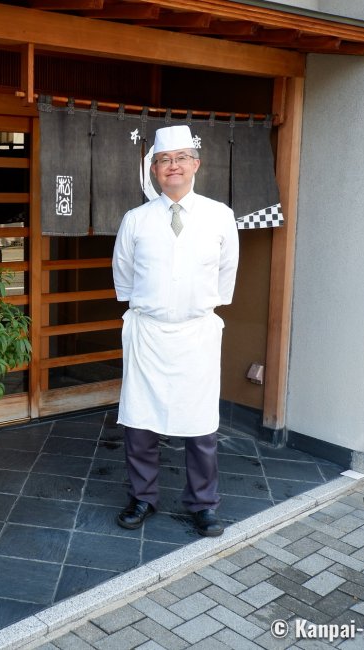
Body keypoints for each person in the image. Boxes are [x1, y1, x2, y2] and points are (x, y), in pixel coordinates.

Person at [111, 124, 239, 537]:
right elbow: (125, 276)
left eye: (181, 158)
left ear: (196, 164)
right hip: (148, 331)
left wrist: (191, 307)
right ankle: (143, 497)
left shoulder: (220, 216)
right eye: (164, 159)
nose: (173, 166)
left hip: (197, 332)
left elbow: (226, 274)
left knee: (201, 426)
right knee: (140, 423)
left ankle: (203, 504)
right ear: (153, 169)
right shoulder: (136, 220)